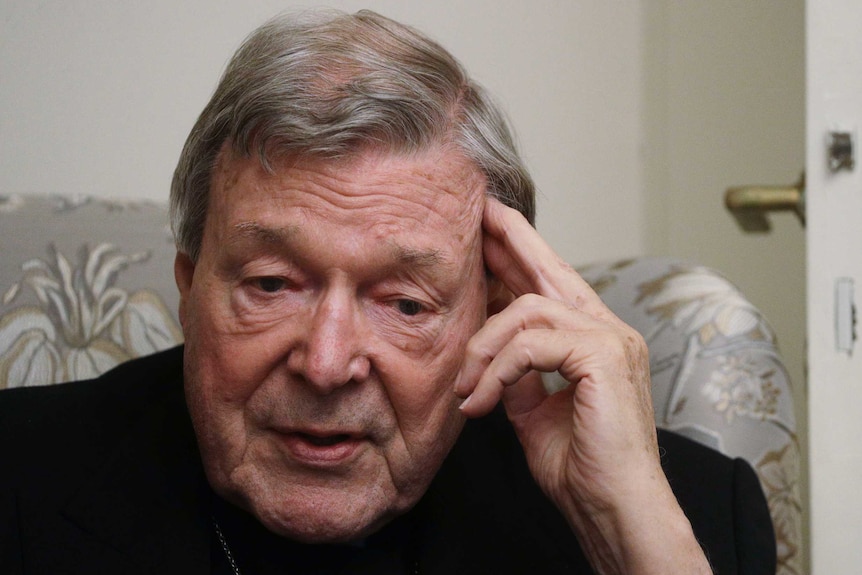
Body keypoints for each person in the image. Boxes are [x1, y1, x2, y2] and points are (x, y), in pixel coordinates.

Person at [0, 9, 775, 575]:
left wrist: (626, 532)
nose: (328, 362)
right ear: (189, 287)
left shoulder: (684, 521)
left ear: (495, 316)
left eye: (404, 302)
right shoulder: (18, 480)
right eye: (271, 283)